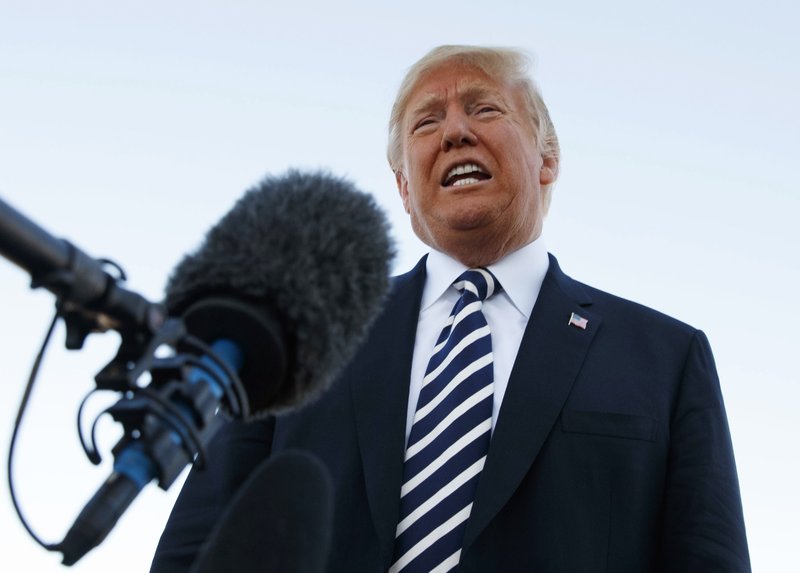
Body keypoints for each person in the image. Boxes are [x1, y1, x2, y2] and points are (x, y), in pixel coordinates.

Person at [151, 45, 750, 572]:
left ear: (548, 159)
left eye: (484, 109)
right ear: (405, 189)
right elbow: (196, 543)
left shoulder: (666, 358)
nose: (454, 132)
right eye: (426, 122)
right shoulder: (303, 335)